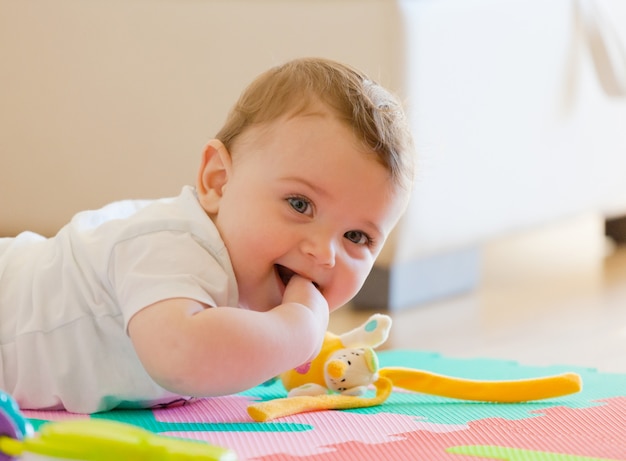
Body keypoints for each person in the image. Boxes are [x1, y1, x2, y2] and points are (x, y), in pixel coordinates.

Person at [0, 57, 415, 413]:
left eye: (357, 237)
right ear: (218, 182)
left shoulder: (248, 289)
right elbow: (180, 355)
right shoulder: (170, 243)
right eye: (300, 204)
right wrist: (297, 332)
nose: (324, 254)